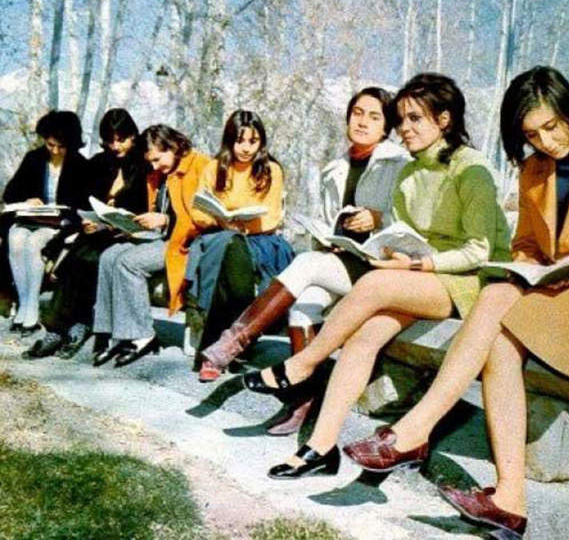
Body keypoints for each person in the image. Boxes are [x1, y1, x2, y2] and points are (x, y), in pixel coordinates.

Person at [342, 66, 569, 539]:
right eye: (531, 135)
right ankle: (508, 499)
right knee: (499, 301)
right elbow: (527, 243)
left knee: (503, 326)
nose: (545, 142)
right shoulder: (534, 169)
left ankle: (416, 433)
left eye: (552, 127)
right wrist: (529, 266)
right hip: (562, 287)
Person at [243, 72, 511, 481]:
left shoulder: (470, 169)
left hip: (472, 279)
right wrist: (392, 253)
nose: (404, 128)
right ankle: (320, 448)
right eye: (400, 119)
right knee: (364, 335)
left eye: (415, 118)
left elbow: (480, 250)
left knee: (371, 284)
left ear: (444, 120)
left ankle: (303, 363)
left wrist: (416, 265)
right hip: (425, 277)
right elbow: (406, 235)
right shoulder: (409, 173)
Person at [195, 88, 411, 435]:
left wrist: (377, 218)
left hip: (381, 269)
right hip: (341, 263)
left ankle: (234, 341)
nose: (363, 122)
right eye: (357, 113)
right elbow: (326, 222)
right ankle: (302, 401)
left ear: (386, 127)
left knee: (308, 263)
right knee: (303, 306)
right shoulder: (335, 168)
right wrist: (327, 239)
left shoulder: (400, 164)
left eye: (374, 116)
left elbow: (411, 221)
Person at [24, 109, 150, 359]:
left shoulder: (144, 165)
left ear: (133, 136)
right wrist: (87, 220)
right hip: (97, 232)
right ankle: (56, 330)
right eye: (110, 140)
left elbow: (144, 207)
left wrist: (112, 224)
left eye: (121, 140)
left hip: (129, 234)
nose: (115, 146)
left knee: (91, 259)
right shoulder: (99, 163)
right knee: (74, 259)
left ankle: (79, 324)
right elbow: (82, 200)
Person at [186, 109, 294, 379]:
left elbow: (271, 216)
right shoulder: (214, 168)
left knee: (233, 251)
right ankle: (229, 346)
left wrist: (242, 226)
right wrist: (221, 221)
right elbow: (198, 210)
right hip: (220, 234)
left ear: (261, 142)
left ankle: (212, 350)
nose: (246, 148)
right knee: (228, 247)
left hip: (259, 239)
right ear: (229, 141)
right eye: (239, 141)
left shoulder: (271, 170)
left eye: (253, 141)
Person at [91, 124, 211, 367]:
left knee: (128, 263)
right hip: (160, 236)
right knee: (109, 256)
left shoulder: (200, 166)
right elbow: (157, 208)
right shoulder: (158, 173)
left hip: (187, 241)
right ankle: (109, 332)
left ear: (173, 146)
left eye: (157, 159)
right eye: (150, 161)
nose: (154, 166)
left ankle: (143, 335)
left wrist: (165, 220)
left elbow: (205, 218)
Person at [2, 110, 89, 336]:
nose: (55, 151)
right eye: (51, 145)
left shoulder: (80, 165)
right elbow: (10, 194)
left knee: (35, 243)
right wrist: (27, 200)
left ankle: (31, 309)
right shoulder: (34, 158)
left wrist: (63, 211)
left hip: (60, 225)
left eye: (61, 146)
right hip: (31, 218)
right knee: (16, 238)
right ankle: (24, 303)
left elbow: (82, 205)